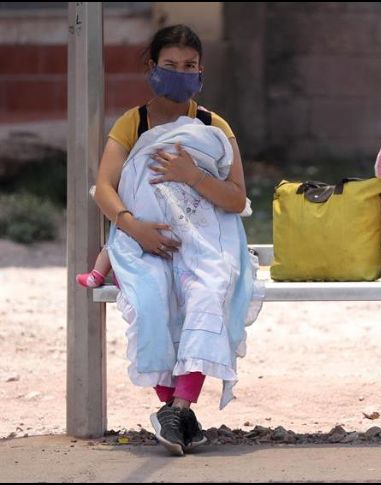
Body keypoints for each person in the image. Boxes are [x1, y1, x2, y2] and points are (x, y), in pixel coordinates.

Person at [93, 24, 256, 456]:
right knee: (152, 300)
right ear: (152, 67)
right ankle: (179, 414)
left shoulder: (212, 125)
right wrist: (135, 228)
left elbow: (237, 198)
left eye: (189, 66)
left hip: (203, 243)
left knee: (207, 293)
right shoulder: (134, 123)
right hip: (141, 239)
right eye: (170, 65)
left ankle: (177, 408)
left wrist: (193, 175)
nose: (180, 73)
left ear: (201, 71)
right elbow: (105, 186)